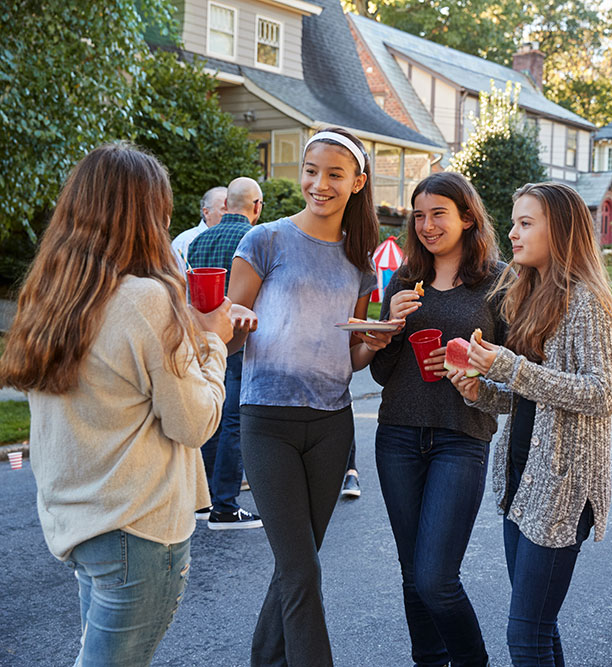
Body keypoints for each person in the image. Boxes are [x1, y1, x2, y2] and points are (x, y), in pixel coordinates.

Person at [0, 144, 249, 665]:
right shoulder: (146, 300)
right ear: (145, 216)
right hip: (136, 527)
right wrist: (213, 342)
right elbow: (195, 422)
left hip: (77, 520)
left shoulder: (53, 293)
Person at [227, 127, 394, 666]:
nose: (318, 184)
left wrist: (371, 343)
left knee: (294, 567)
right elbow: (225, 330)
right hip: (266, 420)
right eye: (310, 171)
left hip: (331, 425)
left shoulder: (360, 261)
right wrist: (237, 323)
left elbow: (350, 356)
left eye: (334, 175)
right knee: (301, 570)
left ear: (357, 183)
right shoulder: (265, 240)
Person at [449, 182, 612, 667]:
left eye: (527, 223)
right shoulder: (527, 292)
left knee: (525, 635)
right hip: (523, 479)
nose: (513, 232)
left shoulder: (586, 300)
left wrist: (509, 367)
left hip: (563, 486)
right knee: (539, 630)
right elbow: (528, 398)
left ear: (560, 231)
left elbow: (602, 394)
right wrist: (481, 391)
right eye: (514, 221)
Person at [370, 172, 505, 667]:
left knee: (436, 578)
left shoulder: (499, 282)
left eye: (438, 214)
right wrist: (391, 330)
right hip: (398, 435)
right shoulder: (405, 280)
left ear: (468, 217)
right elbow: (385, 372)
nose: (427, 226)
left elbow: (513, 370)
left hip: (461, 436)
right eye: (419, 215)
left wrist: (470, 366)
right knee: (412, 573)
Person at [188, 177, 264, 529]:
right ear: (256, 206)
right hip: (240, 339)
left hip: (202, 339)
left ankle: (200, 499)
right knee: (233, 420)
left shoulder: (198, 240)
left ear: (225, 205)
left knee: (210, 416)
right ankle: (225, 505)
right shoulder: (254, 239)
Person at [173, 186, 226, 269]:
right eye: (224, 209)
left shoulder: (233, 240)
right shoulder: (184, 242)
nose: (230, 214)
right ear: (206, 212)